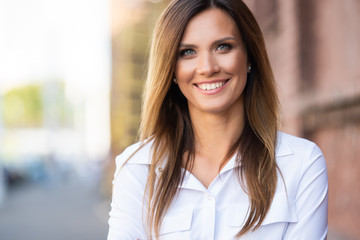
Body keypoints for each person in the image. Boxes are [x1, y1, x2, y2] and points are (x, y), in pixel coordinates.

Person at [107, 0, 328, 239]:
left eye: (223, 47)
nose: (207, 67)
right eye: (188, 52)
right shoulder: (138, 169)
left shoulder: (301, 164)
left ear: (250, 56)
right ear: (171, 69)